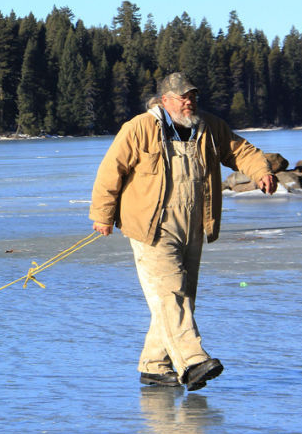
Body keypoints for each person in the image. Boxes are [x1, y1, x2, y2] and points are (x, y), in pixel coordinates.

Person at [89, 72, 277, 391]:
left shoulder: (208, 127)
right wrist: (103, 214)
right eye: (181, 97)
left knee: (181, 297)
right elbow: (111, 171)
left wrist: (261, 171)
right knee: (171, 292)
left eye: (192, 96)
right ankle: (191, 361)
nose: (188, 102)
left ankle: (154, 365)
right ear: (165, 100)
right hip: (152, 227)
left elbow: (241, 150)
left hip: (193, 224)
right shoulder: (139, 128)